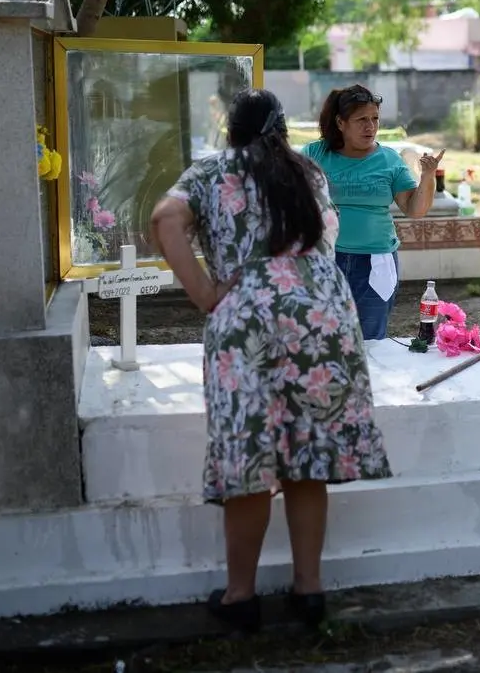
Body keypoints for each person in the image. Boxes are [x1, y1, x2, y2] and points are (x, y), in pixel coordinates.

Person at [149, 88, 392, 631]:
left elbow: (165, 220)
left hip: (248, 321)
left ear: (231, 132)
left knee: (250, 459)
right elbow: (328, 239)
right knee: (309, 459)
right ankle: (309, 592)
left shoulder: (211, 171)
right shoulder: (309, 173)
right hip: (323, 316)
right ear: (282, 130)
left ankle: (241, 597)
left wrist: (207, 294)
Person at [302, 84, 444, 340]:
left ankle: (370, 382)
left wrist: (428, 176)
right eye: (361, 120)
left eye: (375, 118)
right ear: (340, 122)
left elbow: (415, 209)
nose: (370, 126)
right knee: (324, 338)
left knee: (370, 339)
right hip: (325, 260)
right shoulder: (315, 154)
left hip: (375, 263)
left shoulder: (389, 159)